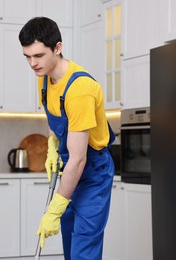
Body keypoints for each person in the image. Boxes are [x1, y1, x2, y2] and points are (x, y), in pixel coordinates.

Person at [19, 17, 115, 260]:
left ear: (58, 48)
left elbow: (79, 160)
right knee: (70, 243)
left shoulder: (79, 89)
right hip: (70, 168)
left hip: (92, 171)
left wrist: (54, 209)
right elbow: (54, 119)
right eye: (27, 57)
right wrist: (52, 145)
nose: (32, 63)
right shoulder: (44, 78)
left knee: (84, 247)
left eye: (38, 55)